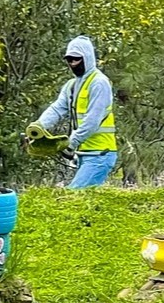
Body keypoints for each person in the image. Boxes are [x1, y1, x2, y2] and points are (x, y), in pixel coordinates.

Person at [32, 36, 117, 190]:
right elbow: (57, 109)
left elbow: (93, 120)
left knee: (73, 198)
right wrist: (39, 126)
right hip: (84, 154)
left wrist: (71, 143)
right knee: (82, 204)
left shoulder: (99, 83)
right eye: (69, 60)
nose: (72, 63)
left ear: (87, 58)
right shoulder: (71, 86)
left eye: (76, 59)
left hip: (100, 154)